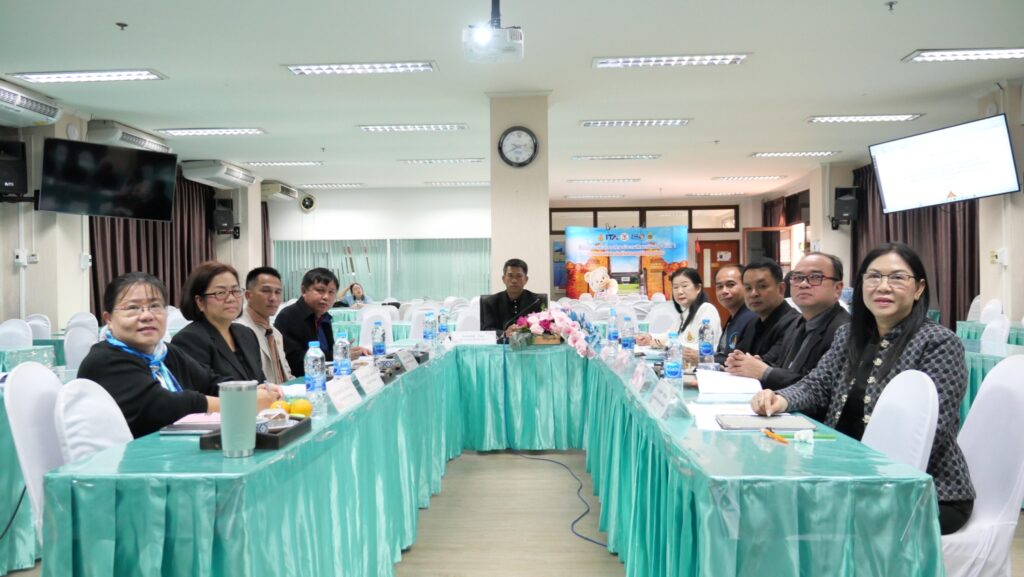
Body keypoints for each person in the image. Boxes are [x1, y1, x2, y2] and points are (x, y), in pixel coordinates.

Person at [751, 242, 974, 535]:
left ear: (919, 289)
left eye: (897, 278)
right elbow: (817, 385)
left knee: (799, 515)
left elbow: (932, 432)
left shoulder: (938, 343)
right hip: (849, 475)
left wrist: (854, 474)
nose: (883, 286)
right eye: (874, 277)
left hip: (925, 490)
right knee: (769, 498)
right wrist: (780, 399)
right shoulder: (849, 335)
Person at [77, 272, 277, 438]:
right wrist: (241, 403)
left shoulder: (164, 352)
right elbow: (166, 405)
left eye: (155, 306)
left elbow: (209, 382)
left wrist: (246, 391)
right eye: (133, 308)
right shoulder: (104, 360)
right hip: (130, 465)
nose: (147, 315)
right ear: (109, 319)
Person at [726, 252, 850, 390]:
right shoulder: (797, 324)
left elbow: (823, 390)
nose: (803, 284)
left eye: (815, 277)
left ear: (837, 288)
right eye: (798, 278)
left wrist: (766, 372)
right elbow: (785, 369)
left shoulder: (845, 331)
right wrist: (757, 365)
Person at [172, 262, 267, 384]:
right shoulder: (189, 340)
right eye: (221, 293)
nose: (231, 298)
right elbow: (201, 390)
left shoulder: (247, 333)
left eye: (235, 291)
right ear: (200, 301)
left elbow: (261, 380)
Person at [636, 268, 721, 366]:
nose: (679, 291)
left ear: (698, 288)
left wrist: (665, 343)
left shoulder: (707, 309)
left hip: (702, 368)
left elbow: (704, 348)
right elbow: (671, 334)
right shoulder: (685, 313)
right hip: (684, 365)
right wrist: (650, 337)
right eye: (675, 287)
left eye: (684, 286)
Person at [732, 259, 801, 367]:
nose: (754, 293)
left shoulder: (795, 325)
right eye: (748, 288)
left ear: (781, 289)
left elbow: (767, 366)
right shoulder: (751, 324)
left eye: (762, 286)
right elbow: (735, 359)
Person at [274, 267, 339, 376]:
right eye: (320, 290)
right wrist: (337, 356)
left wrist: (343, 352)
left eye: (331, 292)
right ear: (304, 291)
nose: (326, 297)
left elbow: (329, 352)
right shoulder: (288, 316)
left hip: (324, 377)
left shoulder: (324, 317)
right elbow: (294, 363)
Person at [236, 266, 293, 384]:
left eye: (278, 292)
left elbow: (287, 376)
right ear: (248, 296)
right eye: (266, 291)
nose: (273, 298)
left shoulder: (275, 333)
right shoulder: (237, 331)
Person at [480, 258, 548, 340]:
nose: (514, 280)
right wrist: (505, 333)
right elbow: (486, 330)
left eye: (519, 276)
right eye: (510, 276)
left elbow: (545, 329)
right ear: (503, 279)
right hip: (500, 346)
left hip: (529, 345)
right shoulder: (490, 302)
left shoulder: (537, 301)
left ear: (526, 279)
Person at [713, 263, 757, 363]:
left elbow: (738, 360)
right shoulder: (735, 317)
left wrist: (704, 357)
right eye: (719, 286)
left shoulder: (752, 318)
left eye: (730, 285)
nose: (724, 291)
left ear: (746, 286)